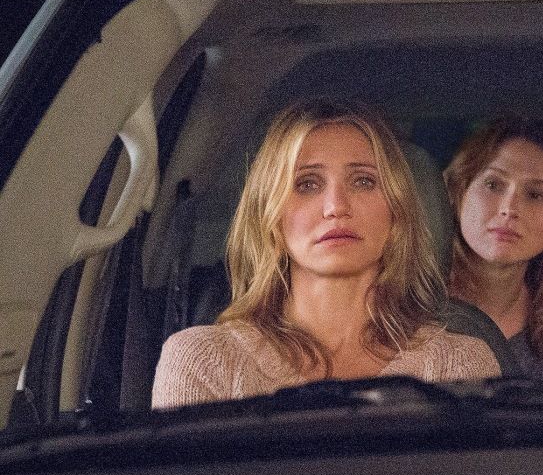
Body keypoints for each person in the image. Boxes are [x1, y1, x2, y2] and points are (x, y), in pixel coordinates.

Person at [152, 100, 500, 408]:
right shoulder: (203, 361)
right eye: (307, 184)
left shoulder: (459, 364)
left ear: (397, 211)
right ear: (269, 214)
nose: (336, 206)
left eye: (363, 181)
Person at [441, 115, 543, 381]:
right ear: (459, 194)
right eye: (493, 185)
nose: (509, 208)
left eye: (535, 194)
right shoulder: (407, 305)